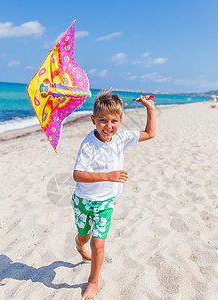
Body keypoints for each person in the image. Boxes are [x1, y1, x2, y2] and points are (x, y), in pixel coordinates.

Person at [72, 90, 156, 299]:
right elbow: (77, 175)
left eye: (114, 121)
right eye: (103, 121)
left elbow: (150, 133)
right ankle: (79, 245)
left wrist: (150, 108)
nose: (108, 126)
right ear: (93, 120)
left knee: (98, 243)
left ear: (120, 121)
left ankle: (93, 281)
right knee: (84, 236)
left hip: (105, 203)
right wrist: (107, 176)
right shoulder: (89, 145)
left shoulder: (121, 137)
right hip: (83, 200)